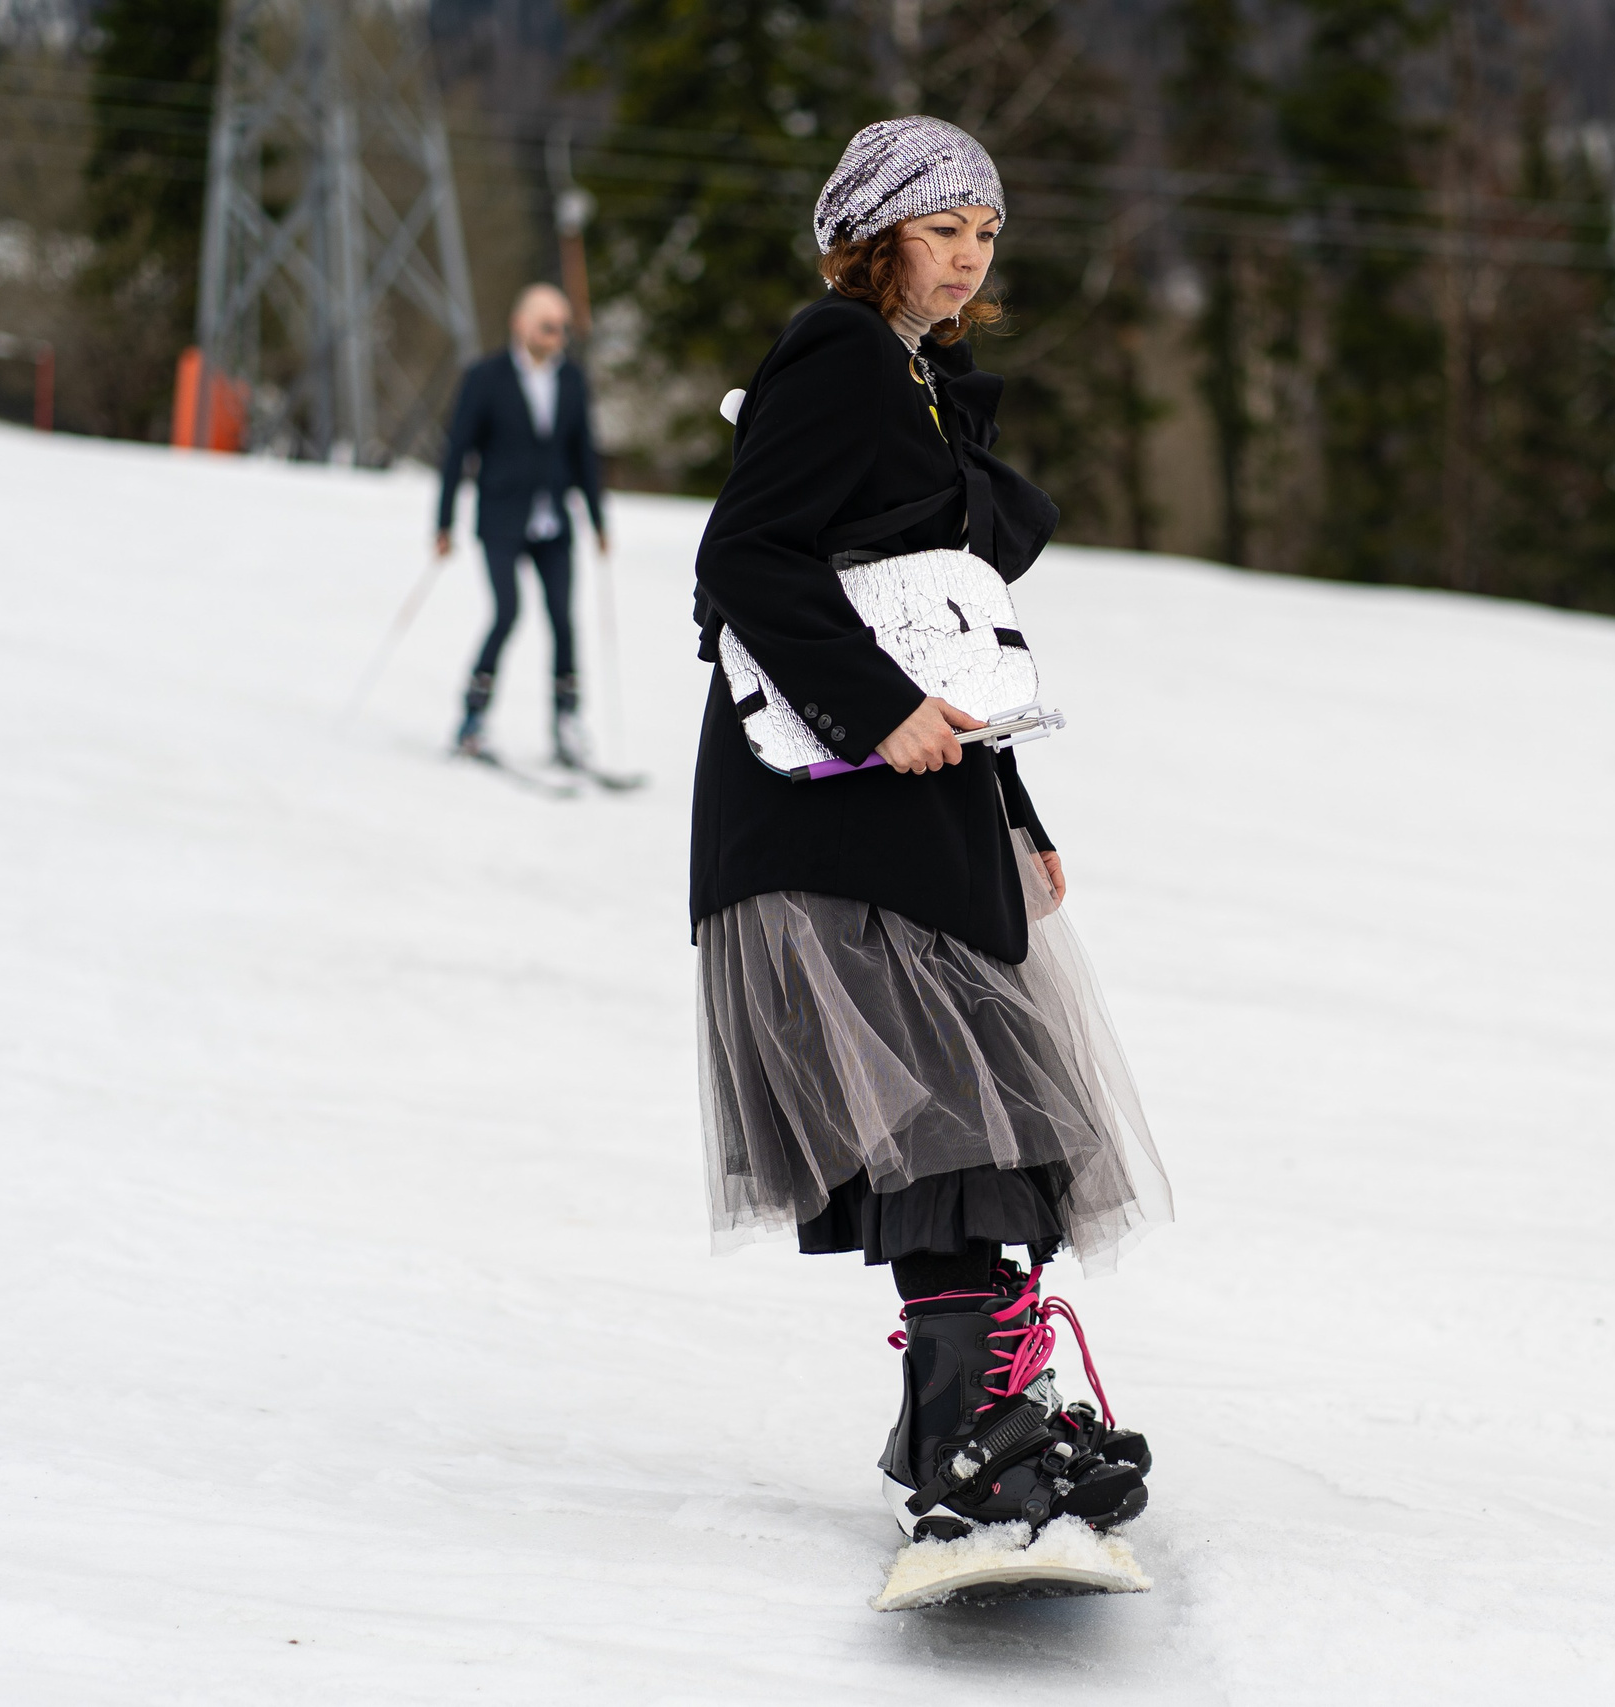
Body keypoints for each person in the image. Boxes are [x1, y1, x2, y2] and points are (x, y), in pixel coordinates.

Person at [687, 116, 1171, 1545]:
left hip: (920, 797)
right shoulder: (836, 354)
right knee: (948, 1122)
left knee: (989, 1120)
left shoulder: (924, 382)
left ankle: (985, 1406)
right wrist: (872, 709)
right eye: (942, 227)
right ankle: (967, 1427)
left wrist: (1016, 806)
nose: (968, 257)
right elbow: (745, 558)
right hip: (828, 811)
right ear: (873, 232)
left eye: (986, 234)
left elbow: (955, 633)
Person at [435, 283, 608, 767]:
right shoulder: (485, 377)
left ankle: (567, 722)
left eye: (563, 329)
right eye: (548, 327)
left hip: (553, 520)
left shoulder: (572, 380)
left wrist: (597, 519)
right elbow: (457, 453)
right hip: (501, 519)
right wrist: (444, 520)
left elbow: (584, 453)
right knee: (507, 612)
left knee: (563, 620)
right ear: (521, 324)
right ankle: (473, 716)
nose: (557, 337)